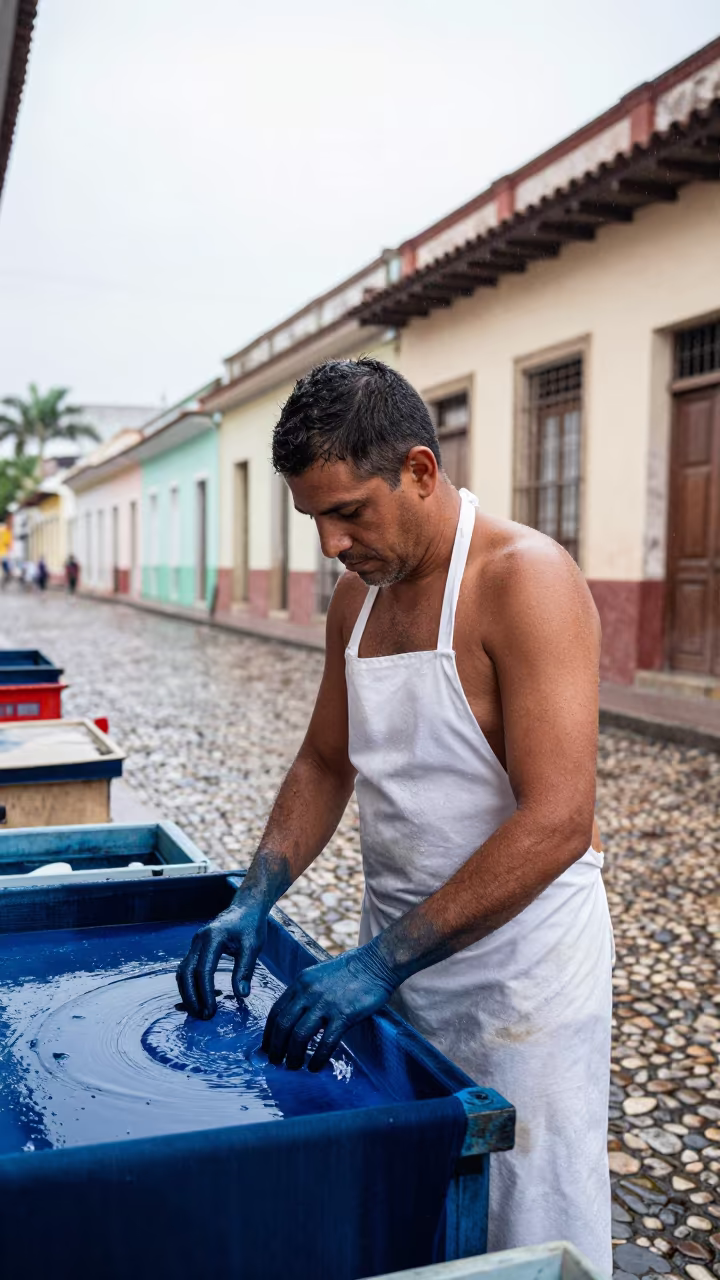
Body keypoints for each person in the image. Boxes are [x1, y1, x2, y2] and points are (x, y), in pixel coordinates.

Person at [177, 359, 613, 1271]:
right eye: (314, 522)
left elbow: (559, 819)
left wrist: (379, 960)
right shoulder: (357, 599)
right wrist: (254, 894)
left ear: (419, 470)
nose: (332, 544)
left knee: (523, 1217)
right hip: (399, 962)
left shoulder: (525, 579)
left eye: (349, 513)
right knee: (416, 1205)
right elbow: (325, 759)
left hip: (519, 984)